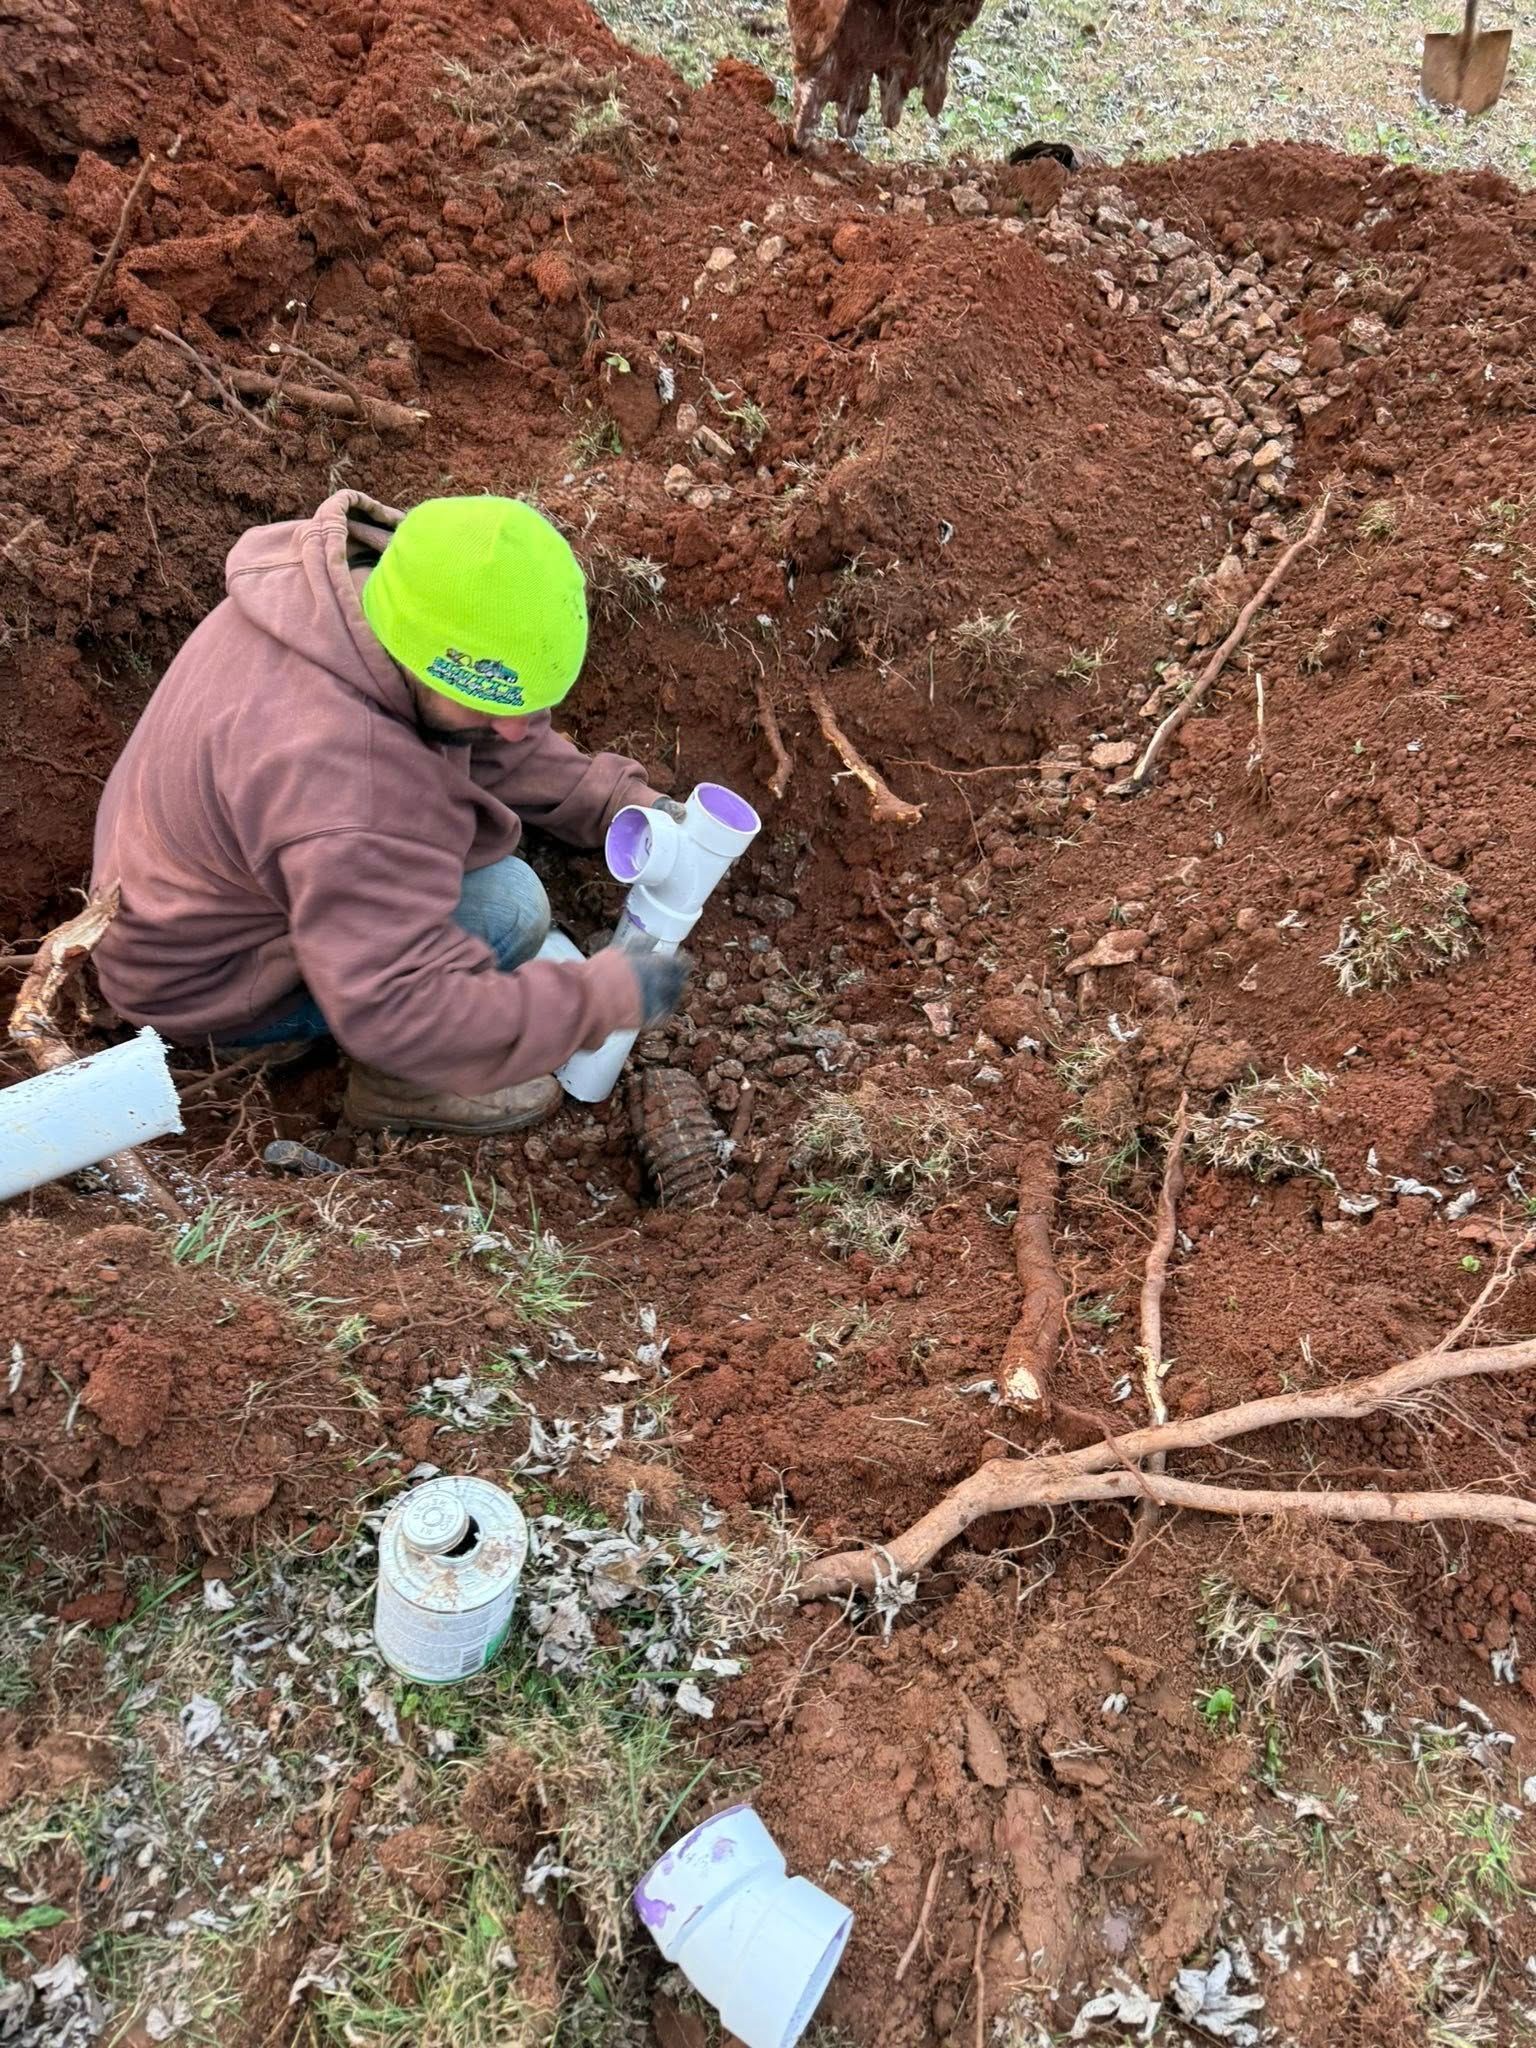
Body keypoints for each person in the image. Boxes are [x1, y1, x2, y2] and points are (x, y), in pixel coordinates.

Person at [91, 491, 692, 1134]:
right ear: (425, 659)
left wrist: (623, 804)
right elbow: (401, 1008)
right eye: (492, 704)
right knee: (511, 908)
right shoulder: (350, 780)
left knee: (485, 824)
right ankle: (402, 1090)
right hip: (206, 987)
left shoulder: (357, 595)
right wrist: (602, 999)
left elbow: (492, 732)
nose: (517, 732)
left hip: (178, 896)